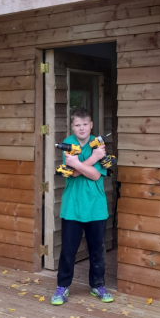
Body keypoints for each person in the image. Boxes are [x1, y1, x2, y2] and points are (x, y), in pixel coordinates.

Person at [51, 107, 114, 305]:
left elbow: (96, 175)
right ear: (72, 126)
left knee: (97, 249)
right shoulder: (68, 144)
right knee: (68, 250)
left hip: (96, 206)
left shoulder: (98, 145)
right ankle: (62, 287)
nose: (81, 128)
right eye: (77, 125)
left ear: (91, 125)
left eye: (85, 124)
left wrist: (80, 163)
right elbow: (74, 174)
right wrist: (91, 161)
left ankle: (97, 285)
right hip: (73, 207)